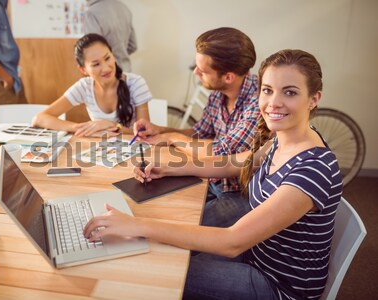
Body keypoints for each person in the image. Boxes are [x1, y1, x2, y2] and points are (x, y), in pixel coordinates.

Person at [84, 49, 343, 299]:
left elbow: (232, 241)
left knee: (157, 269)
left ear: (314, 98)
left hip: (277, 285)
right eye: (267, 90)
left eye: (290, 92)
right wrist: (170, 169)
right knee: (162, 253)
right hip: (254, 256)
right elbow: (235, 162)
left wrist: (135, 225)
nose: (274, 102)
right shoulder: (283, 139)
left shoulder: (312, 169)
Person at [135, 27, 260, 222]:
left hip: (241, 192)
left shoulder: (259, 103)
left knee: (183, 225)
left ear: (228, 77)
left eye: (202, 71)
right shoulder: (219, 93)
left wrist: (171, 138)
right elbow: (199, 133)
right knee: (160, 208)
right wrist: (161, 130)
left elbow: (219, 152)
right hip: (211, 178)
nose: (195, 73)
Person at [32, 33, 151, 137]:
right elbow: (39, 118)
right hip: (103, 153)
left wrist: (112, 126)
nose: (105, 68)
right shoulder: (84, 87)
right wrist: (81, 128)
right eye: (96, 64)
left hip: (133, 152)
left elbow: (144, 133)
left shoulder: (136, 84)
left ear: (113, 55)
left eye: (107, 58)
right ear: (83, 69)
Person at [83, 0, 137, 72]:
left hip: (106, 74)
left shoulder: (92, 13)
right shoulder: (124, 8)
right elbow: (133, 46)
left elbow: (94, 51)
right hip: (126, 72)